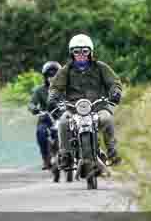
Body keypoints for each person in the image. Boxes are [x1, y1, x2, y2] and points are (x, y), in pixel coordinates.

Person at [48, 34, 123, 167]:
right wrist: (53, 97)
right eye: (77, 51)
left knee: (107, 119)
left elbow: (114, 82)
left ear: (90, 52)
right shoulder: (66, 70)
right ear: (72, 53)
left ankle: (113, 153)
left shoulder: (101, 67)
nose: (81, 54)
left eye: (85, 51)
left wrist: (115, 92)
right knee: (63, 122)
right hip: (73, 108)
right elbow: (55, 87)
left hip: (98, 106)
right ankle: (66, 155)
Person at [28, 61, 61, 170]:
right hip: (46, 119)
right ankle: (46, 158)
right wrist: (34, 109)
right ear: (45, 77)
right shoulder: (40, 90)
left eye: (55, 76)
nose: (52, 78)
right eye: (49, 76)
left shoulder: (65, 89)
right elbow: (31, 103)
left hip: (63, 118)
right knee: (41, 132)